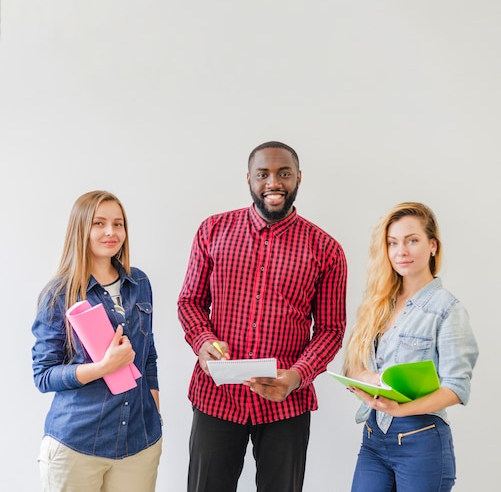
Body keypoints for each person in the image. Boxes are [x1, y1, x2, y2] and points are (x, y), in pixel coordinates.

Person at [177, 141, 347, 492]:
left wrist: (297, 376)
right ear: (249, 179)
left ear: (298, 177)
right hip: (217, 396)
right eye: (263, 174)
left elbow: (331, 329)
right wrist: (203, 342)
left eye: (284, 173)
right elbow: (190, 301)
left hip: (286, 404)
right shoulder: (213, 231)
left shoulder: (326, 249)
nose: (274, 182)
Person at [342, 202, 478, 492]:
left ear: (432, 246)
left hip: (421, 441)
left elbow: (456, 388)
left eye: (411, 240)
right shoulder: (378, 304)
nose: (400, 251)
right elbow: (353, 365)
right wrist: (369, 379)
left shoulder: (448, 310)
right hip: (373, 438)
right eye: (393, 243)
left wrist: (401, 410)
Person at [32, 190, 162, 492]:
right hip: (77, 445)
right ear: (81, 228)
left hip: (139, 445)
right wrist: (104, 367)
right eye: (99, 223)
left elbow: (149, 353)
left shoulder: (139, 283)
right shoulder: (59, 294)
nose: (110, 232)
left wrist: (154, 407)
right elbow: (43, 375)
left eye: (118, 224)